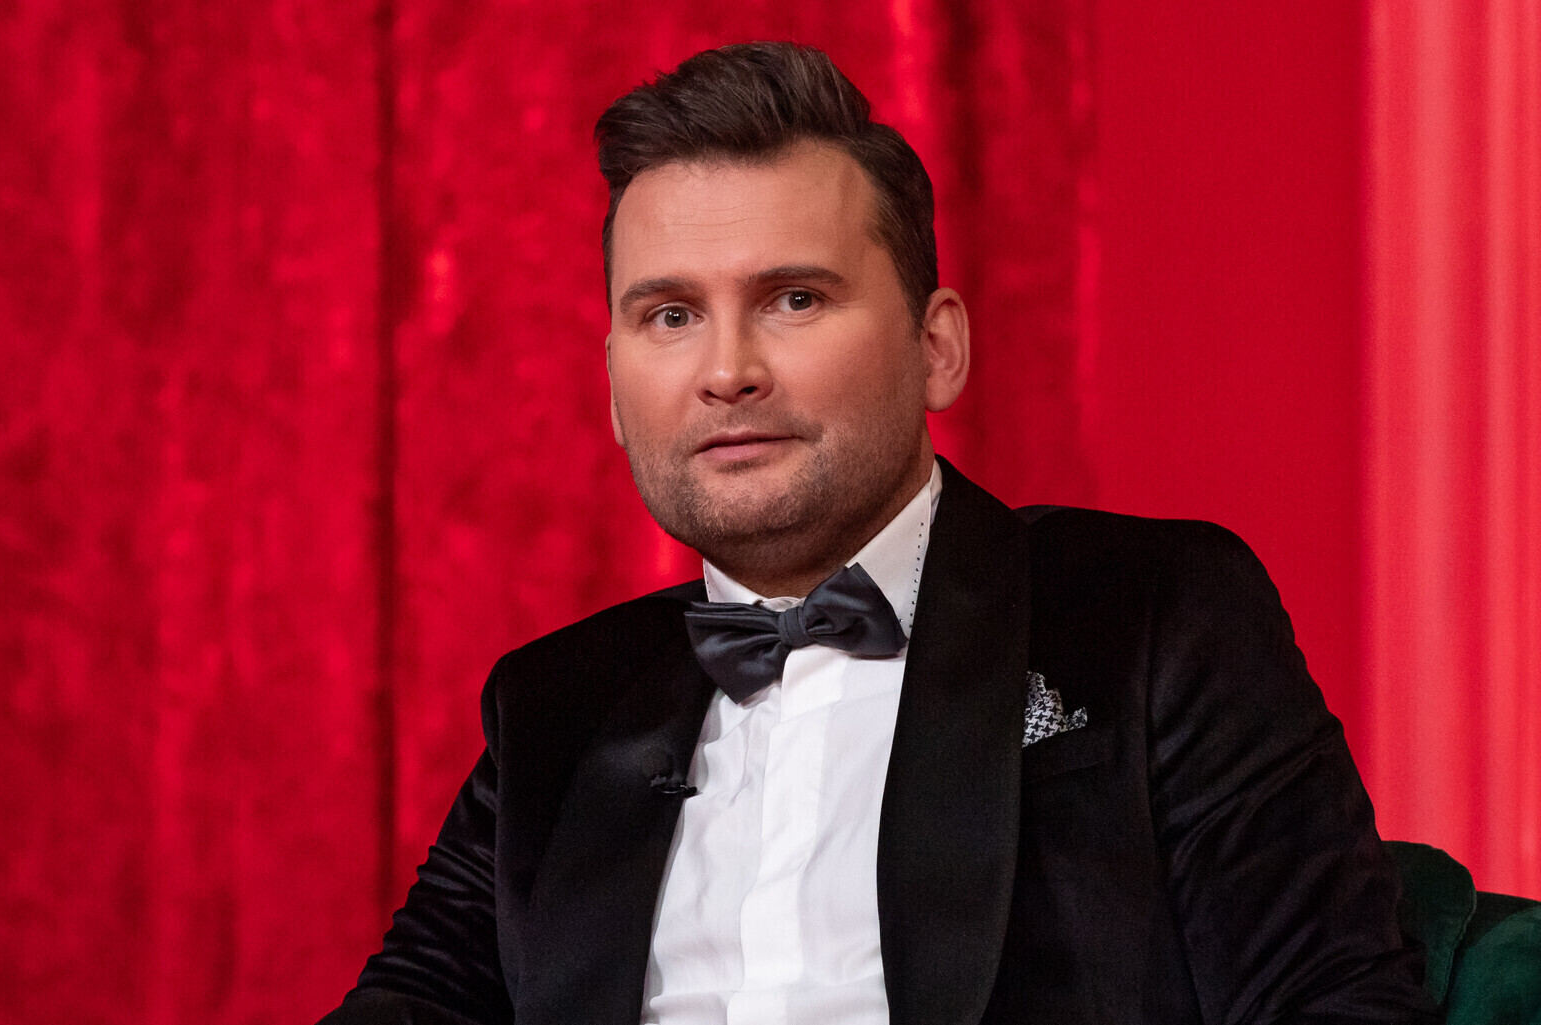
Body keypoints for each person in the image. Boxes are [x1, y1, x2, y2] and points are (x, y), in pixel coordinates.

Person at [319, 42, 1439, 1025]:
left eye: (794, 299)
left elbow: (1334, 998)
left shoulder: (1152, 613)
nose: (726, 371)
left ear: (935, 347)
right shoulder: (553, 703)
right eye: (671, 314)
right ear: (612, 387)